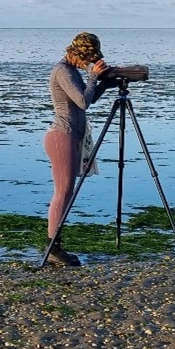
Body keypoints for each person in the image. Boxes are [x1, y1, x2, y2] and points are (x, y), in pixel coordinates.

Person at [43, 31, 109, 267]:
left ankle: (55, 247)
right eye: (88, 59)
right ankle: (53, 248)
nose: (88, 63)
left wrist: (105, 83)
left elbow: (86, 100)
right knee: (63, 192)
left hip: (70, 136)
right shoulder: (63, 70)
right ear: (77, 54)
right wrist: (93, 78)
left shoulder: (70, 71)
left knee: (67, 193)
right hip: (62, 136)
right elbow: (82, 101)